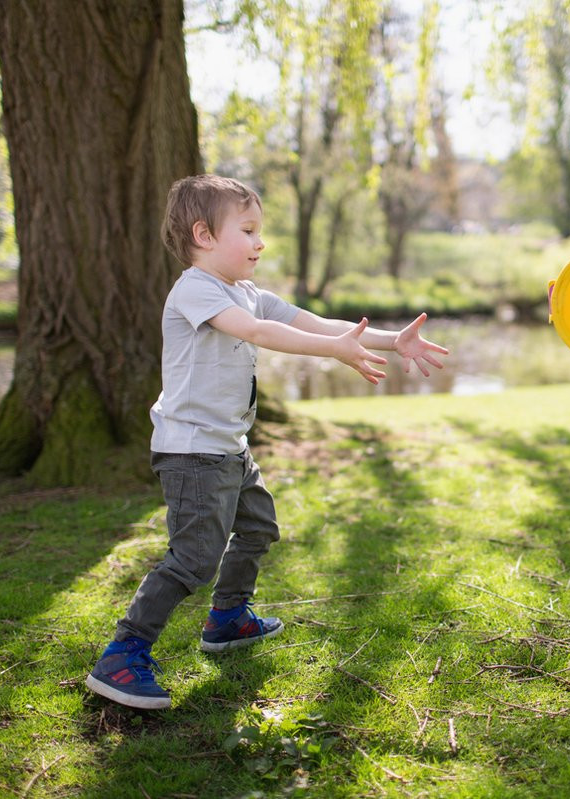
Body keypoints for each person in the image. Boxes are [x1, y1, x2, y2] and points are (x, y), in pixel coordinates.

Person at [86, 175, 449, 709]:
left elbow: (319, 322)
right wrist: (333, 353)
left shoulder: (249, 293)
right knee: (193, 557)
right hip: (191, 450)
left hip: (227, 445)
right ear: (203, 234)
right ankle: (123, 654)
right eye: (249, 230)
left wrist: (392, 340)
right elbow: (257, 334)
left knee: (258, 527)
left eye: (261, 232)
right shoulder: (195, 289)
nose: (261, 243)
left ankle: (228, 619)